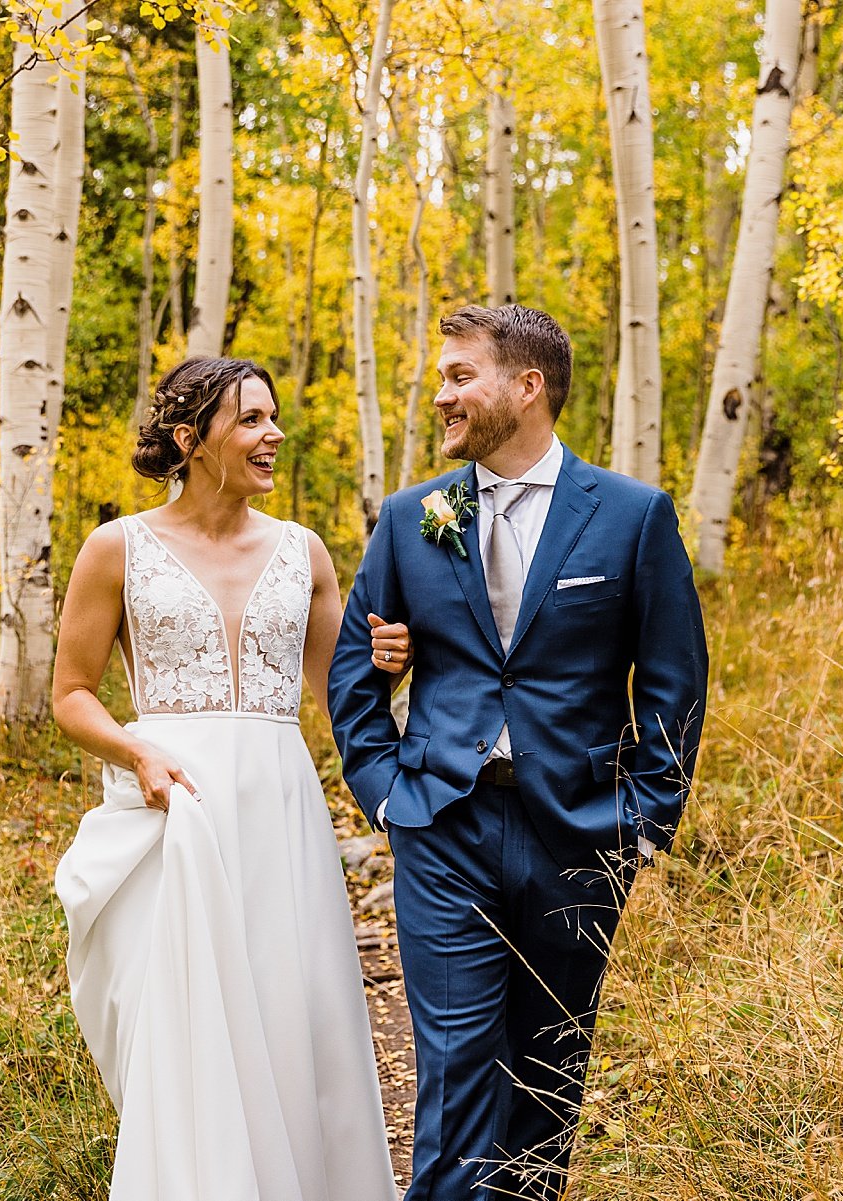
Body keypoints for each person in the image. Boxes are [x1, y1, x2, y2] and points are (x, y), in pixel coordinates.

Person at [331, 304, 709, 1200]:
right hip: (443, 825)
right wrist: (386, 793)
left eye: (462, 375)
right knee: (458, 1067)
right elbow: (356, 667)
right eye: (443, 376)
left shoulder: (631, 515)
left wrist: (643, 822)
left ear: (527, 386)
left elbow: (673, 681)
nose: (442, 393)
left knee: (549, 1069)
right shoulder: (410, 516)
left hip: (577, 834)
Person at [51, 357, 401, 1200]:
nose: (273, 434)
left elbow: (337, 694)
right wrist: (139, 753)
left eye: (273, 417)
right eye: (250, 420)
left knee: (293, 1011)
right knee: (185, 1030)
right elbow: (69, 693)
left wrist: (390, 664)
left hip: (281, 812)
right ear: (190, 438)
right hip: (175, 810)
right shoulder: (117, 547)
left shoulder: (304, 554)